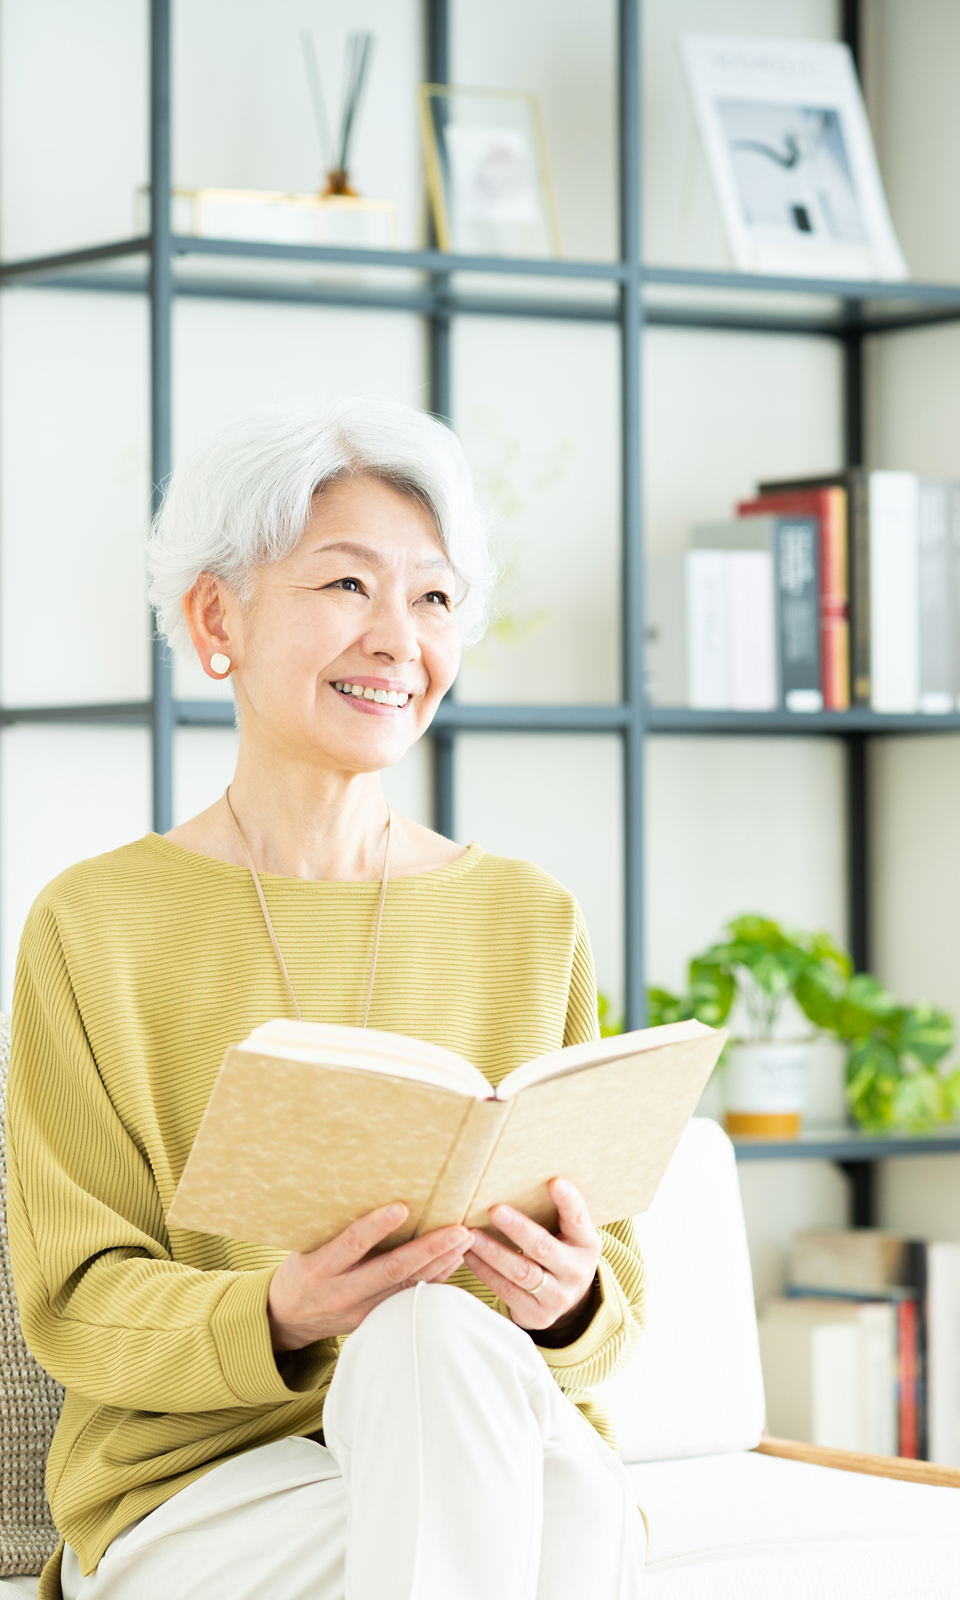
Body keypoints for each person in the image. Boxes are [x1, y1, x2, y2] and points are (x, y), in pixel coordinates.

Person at [6, 400, 647, 1600]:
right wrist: (282, 1308)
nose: (399, 638)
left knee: (444, 1346)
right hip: (207, 1497)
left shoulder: (530, 917)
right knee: (432, 1359)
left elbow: (614, 1283)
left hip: (502, 1451)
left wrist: (571, 1301)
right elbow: (74, 1303)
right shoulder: (93, 927)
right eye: (348, 586)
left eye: (435, 598)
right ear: (217, 619)